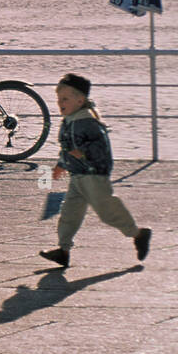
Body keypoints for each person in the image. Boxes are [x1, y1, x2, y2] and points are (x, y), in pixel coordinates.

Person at [39, 73, 150, 268]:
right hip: (77, 177)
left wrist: (84, 153)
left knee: (107, 211)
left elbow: (101, 147)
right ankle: (63, 250)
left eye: (65, 99)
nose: (59, 103)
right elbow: (66, 148)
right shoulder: (68, 122)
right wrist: (61, 164)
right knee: (69, 213)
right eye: (58, 99)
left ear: (80, 100)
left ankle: (138, 233)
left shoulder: (88, 122)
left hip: (93, 176)